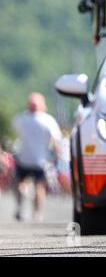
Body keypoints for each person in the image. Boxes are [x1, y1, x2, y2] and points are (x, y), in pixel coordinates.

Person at [12, 93, 62, 221]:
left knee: (19, 183)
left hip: (24, 158)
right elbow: (57, 141)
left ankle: (19, 207)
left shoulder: (21, 118)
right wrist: (57, 155)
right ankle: (37, 213)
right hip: (41, 160)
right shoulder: (48, 120)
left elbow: (13, 134)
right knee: (39, 187)